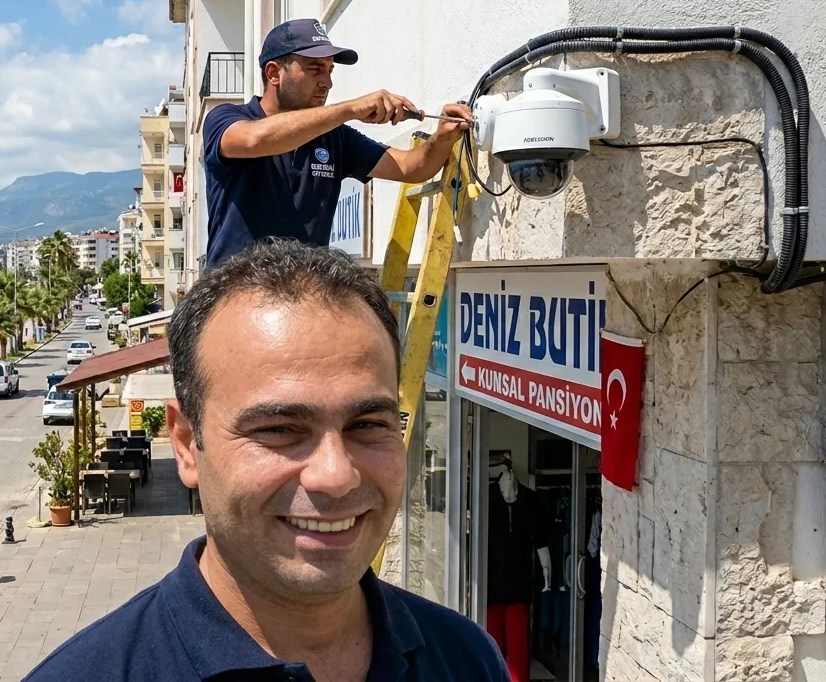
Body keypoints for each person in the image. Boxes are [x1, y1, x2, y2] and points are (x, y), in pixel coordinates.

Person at [28, 239, 508, 681]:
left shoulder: (467, 659)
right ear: (186, 444)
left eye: (367, 425)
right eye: (279, 430)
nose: (336, 476)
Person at [201, 18, 473, 269]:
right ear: (274, 73)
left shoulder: (335, 137)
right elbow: (254, 139)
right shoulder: (226, 118)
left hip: (304, 301)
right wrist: (352, 108)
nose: (327, 82)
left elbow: (411, 168)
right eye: (315, 69)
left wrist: (443, 136)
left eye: (330, 70)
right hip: (234, 301)